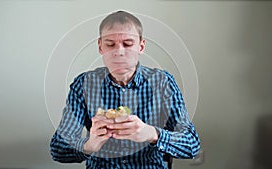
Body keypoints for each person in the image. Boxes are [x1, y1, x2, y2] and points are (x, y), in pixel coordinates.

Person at [50, 10, 200, 168]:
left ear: (141, 47)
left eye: (128, 44)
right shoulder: (83, 85)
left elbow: (191, 144)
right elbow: (58, 148)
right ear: (100, 47)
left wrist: (152, 134)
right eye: (110, 44)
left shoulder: (163, 82)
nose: (119, 52)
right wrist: (89, 145)